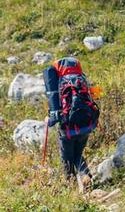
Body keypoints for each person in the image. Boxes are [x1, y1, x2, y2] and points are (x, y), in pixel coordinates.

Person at [43, 57, 99, 193]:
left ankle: (71, 188)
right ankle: (86, 178)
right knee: (78, 154)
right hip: (86, 125)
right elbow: (94, 97)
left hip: (67, 128)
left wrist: (49, 120)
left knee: (67, 159)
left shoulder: (57, 83)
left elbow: (53, 116)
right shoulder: (81, 78)